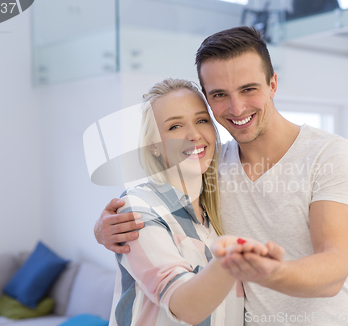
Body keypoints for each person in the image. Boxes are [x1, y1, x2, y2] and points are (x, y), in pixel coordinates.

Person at [97, 27, 348, 325]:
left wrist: (262, 270)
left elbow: (333, 271)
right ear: (207, 97)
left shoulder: (330, 157)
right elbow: (158, 206)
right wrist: (103, 230)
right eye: (219, 94)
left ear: (273, 84)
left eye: (248, 89)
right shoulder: (209, 166)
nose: (237, 107)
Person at [111, 78, 271, 326]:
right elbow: (185, 307)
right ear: (154, 146)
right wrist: (233, 260)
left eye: (201, 120)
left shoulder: (216, 213)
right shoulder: (138, 208)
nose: (194, 134)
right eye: (175, 127)